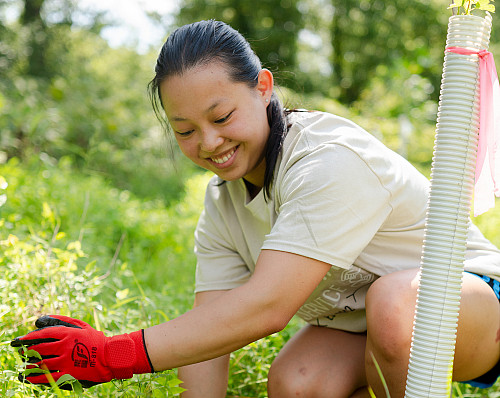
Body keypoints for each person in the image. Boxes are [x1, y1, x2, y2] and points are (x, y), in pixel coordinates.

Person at [11, 20, 500, 398]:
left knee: (396, 304)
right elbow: (213, 329)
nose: (209, 142)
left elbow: (267, 307)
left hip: (472, 304)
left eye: (222, 117)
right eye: (185, 131)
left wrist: (113, 356)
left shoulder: (328, 163)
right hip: (369, 330)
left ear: (263, 87)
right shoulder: (222, 203)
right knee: (297, 382)